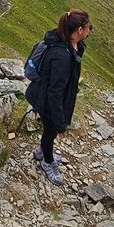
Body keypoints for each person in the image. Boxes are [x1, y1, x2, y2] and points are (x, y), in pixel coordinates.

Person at [25, 9, 92, 185]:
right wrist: (61, 122)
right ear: (79, 30)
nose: (90, 29)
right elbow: (54, 92)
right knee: (51, 130)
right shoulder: (62, 56)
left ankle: (41, 151)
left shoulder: (72, 45)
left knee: (50, 130)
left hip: (52, 95)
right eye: (88, 27)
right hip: (47, 100)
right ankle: (47, 161)